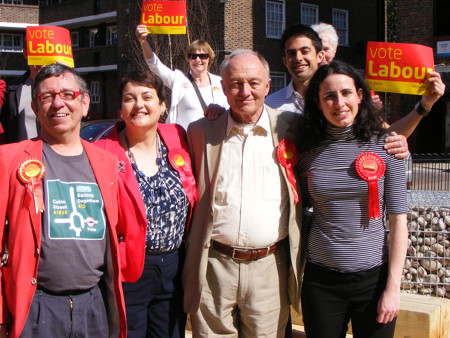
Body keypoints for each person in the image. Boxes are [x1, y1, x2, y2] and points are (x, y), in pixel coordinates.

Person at [0, 63, 127, 337]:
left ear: (84, 103)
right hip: (36, 306)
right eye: (47, 96)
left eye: (68, 94)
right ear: (35, 107)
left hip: (94, 306)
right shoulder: (10, 160)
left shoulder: (107, 163)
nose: (58, 103)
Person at [183, 49, 302, 337]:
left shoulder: (292, 129)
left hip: (269, 269)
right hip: (213, 267)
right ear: (222, 88)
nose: (244, 91)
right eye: (235, 83)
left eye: (253, 82)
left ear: (267, 85)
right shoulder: (200, 131)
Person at [295, 60, 408, 337]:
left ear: (360, 95)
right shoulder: (306, 149)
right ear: (318, 103)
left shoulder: (386, 145)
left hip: (374, 280)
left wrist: (393, 288)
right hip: (322, 283)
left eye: (346, 93)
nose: (339, 103)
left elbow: (398, 221)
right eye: (329, 96)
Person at [95, 70, 198, 337]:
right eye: (130, 98)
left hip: (175, 265)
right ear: (120, 109)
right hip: (129, 270)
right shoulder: (103, 151)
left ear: (163, 106)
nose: (139, 105)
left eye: (147, 97)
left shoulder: (177, 137)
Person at [266, 24, 445, 156]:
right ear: (284, 60)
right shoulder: (270, 104)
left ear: (320, 55)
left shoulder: (348, 102)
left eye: (305, 51)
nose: (298, 58)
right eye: (291, 53)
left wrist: (424, 105)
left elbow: (389, 136)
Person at [136, 25, 228, 130]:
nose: (198, 60)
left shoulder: (220, 82)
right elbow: (155, 65)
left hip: (214, 140)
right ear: (188, 59)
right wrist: (143, 42)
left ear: (209, 59)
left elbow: (230, 111)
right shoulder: (178, 80)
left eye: (202, 56)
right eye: (193, 56)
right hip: (185, 141)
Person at [0, 47, 42, 143]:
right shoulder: (12, 89)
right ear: (26, 53)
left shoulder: (64, 87)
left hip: (51, 155)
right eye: (37, 52)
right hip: (19, 155)